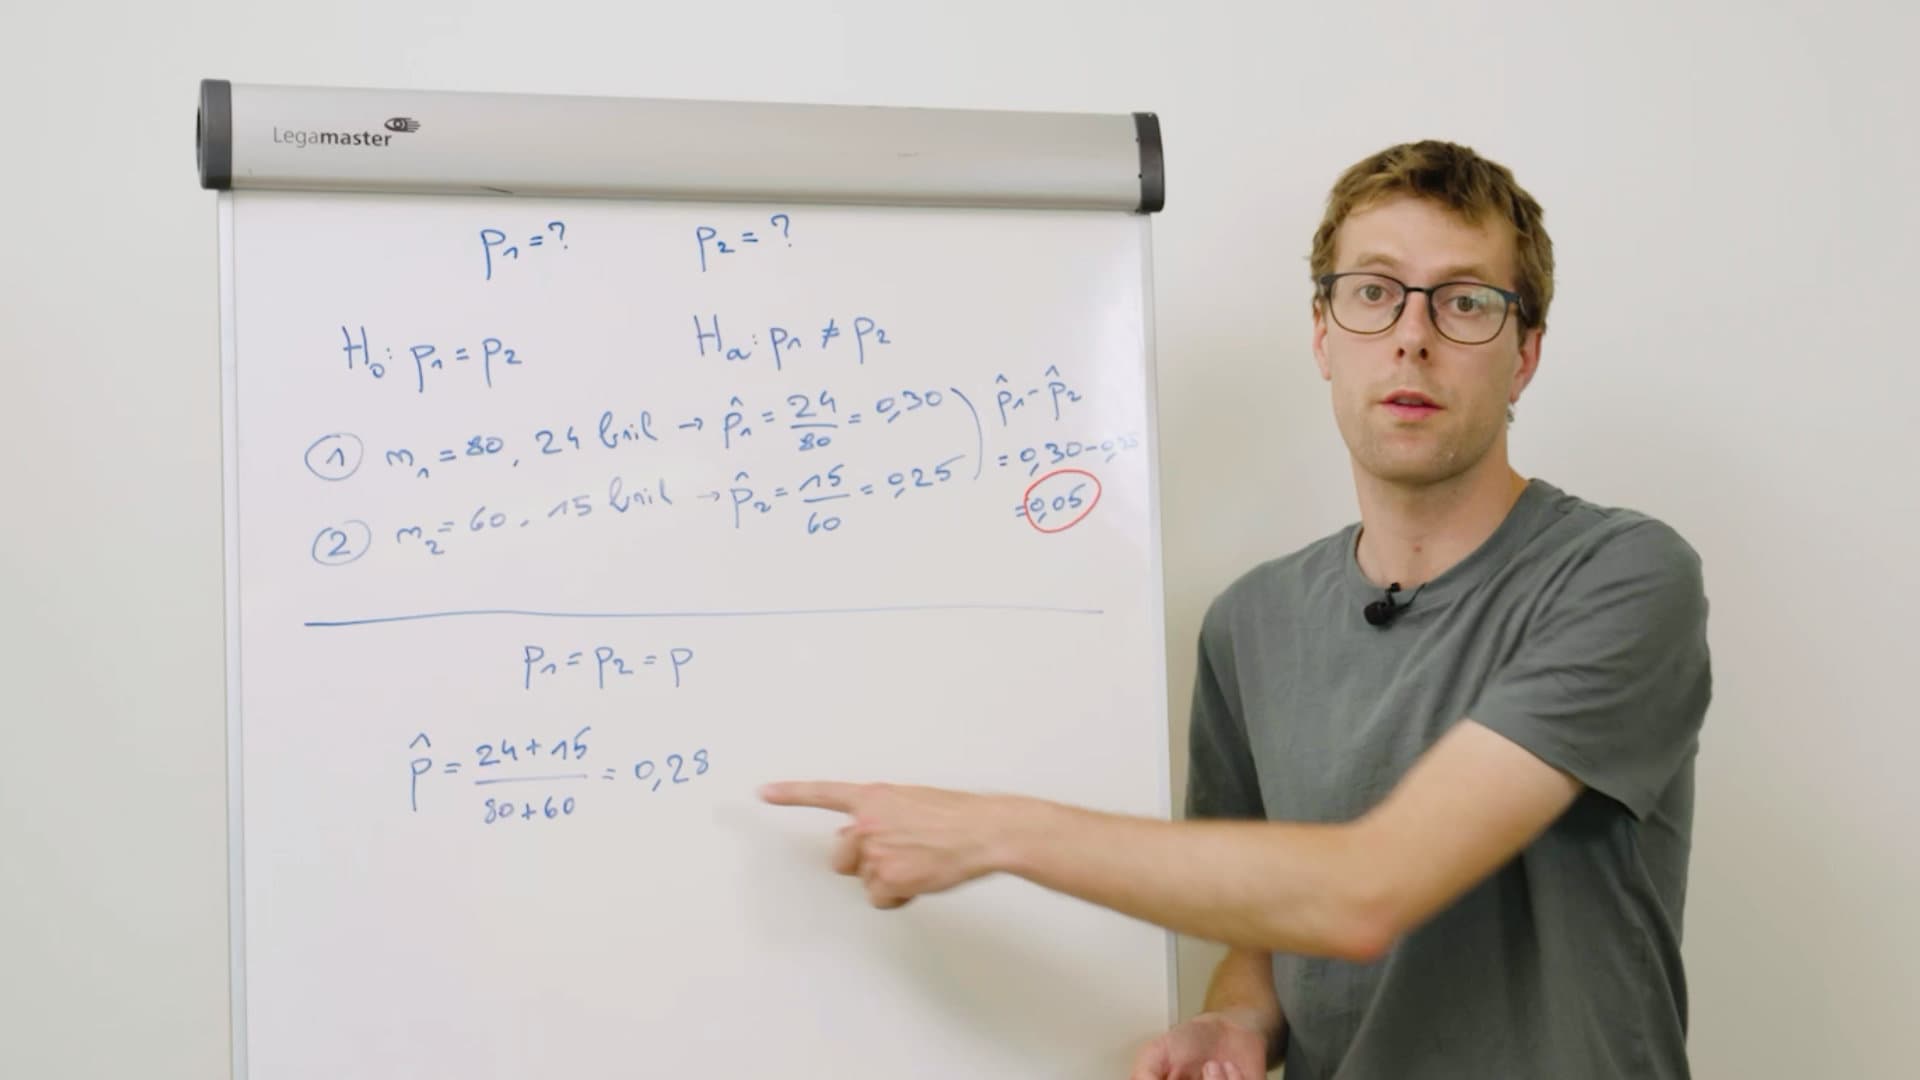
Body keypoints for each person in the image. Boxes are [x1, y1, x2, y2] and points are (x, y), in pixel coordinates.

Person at [760, 139, 1712, 1079]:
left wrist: (993, 831)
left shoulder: (1621, 576)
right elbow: (1263, 923)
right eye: (1374, 292)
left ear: (1525, 354)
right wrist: (1237, 1019)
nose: (1412, 335)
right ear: (1323, 335)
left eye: (1464, 301)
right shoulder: (1253, 622)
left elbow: (1367, 893)